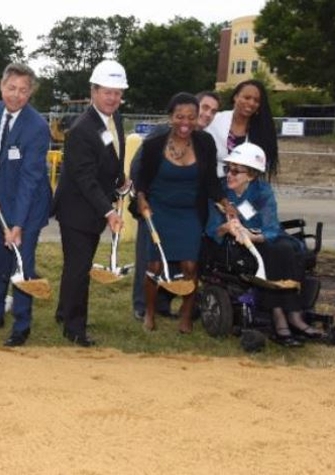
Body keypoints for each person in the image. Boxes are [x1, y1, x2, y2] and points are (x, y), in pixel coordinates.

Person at [205, 143, 323, 347]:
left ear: (250, 175)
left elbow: (271, 227)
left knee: (286, 249)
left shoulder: (262, 191)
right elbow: (211, 230)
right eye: (227, 169)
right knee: (277, 251)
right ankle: (282, 317)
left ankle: (293, 314)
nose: (229, 175)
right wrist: (227, 227)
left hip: (260, 239)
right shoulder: (220, 192)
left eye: (235, 171)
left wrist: (254, 236)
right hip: (232, 245)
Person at [132, 92, 230, 334]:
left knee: (190, 266)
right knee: (153, 266)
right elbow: (141, 180)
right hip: (159, 211)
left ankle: (185, 317)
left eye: (191, 117)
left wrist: (224, 202)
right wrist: (142, 201)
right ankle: (150, 313)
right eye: (179, 117)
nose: (185, 123)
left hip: (189, 213)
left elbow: (210, 181)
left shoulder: (205, 142)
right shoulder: (155, 144)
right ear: (170, 117)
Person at [51, 59, 129, 347]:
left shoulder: (114, 118)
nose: (113, 98)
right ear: (93, 91)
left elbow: (111, 158)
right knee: (79, 268)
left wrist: (121, 180)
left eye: (118, 92)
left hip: (93, 207)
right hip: (77, 209)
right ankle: (74, 328)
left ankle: (64, 311)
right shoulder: (82, 128)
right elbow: (85, 178)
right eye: (107, 91)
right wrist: (109, 211)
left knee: (75, 265)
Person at [0, 63, 51, 347]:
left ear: (30, 93)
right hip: (1, 201)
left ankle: (21, 325)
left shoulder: (37, 128)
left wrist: (17, 225)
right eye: (11, 88)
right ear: (1, 86)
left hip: (28, 207)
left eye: (23, 90)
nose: (16, 95)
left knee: (22, 265)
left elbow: (30, 180)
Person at [205, 79, 279, 181]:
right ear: (235, 97)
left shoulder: (261, 131)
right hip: (213, 182)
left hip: (244, 186)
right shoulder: (215, 120)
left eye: (256, 100)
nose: (251, 103)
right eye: (247, 97)